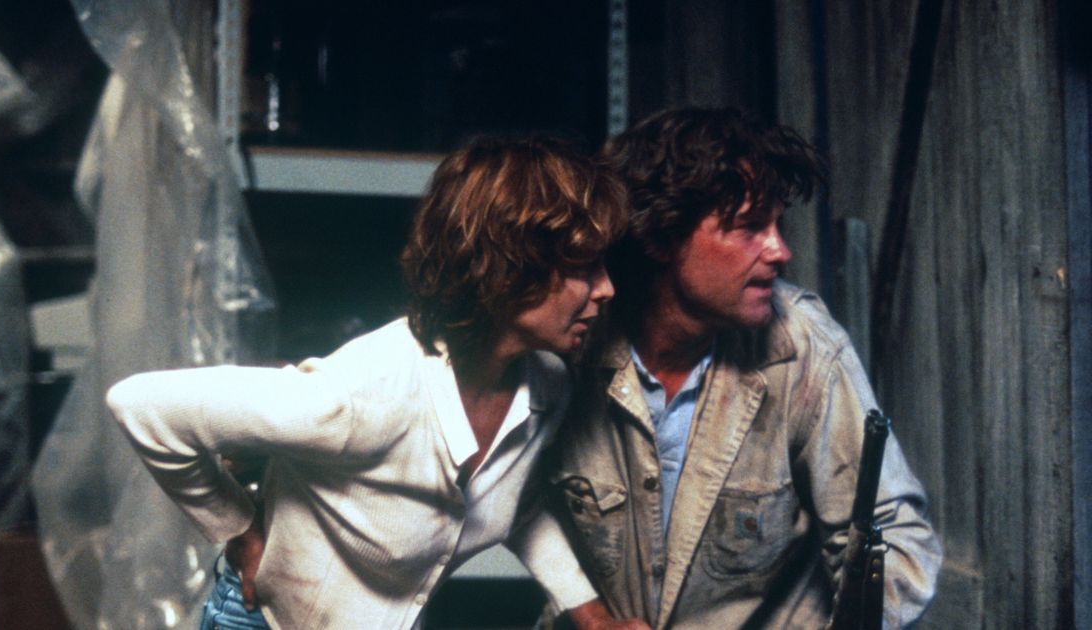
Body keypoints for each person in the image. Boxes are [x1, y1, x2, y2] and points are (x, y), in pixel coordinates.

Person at [105, 135, 649, 630]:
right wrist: (238, 529)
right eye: (584, 267)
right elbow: (141, 405)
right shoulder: (362, 395)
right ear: (510, 267)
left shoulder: (547, 387)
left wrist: (592, 617)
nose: (607, 289)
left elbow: (517, 506)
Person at [542, 107, 943, 629]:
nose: (781, 251)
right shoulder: (574, 340)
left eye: (777, 225)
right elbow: (516, 505)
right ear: (660, 238)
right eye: (750, 227)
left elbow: (897, 542)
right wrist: (591, 618)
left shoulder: (803, 345)